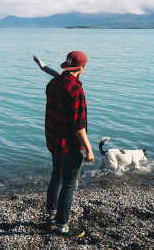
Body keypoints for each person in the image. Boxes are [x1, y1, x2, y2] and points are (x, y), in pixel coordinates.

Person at [45, 51, 94, 238]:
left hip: (54, 141)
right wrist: (89, 149)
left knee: (56, 178)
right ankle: (62, 226)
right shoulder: (76, 91)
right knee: (69, 185)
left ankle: (50, 218)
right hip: (69, 146)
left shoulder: (52, 84)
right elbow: (78, 126)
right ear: (82, 67)